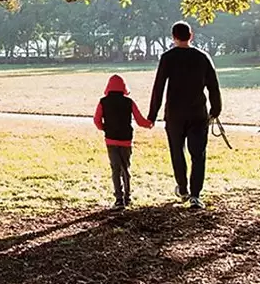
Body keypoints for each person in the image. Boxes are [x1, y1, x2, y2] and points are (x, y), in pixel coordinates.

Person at [147, 21, 222, 210]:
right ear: (191, 35)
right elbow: (213, 85)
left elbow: (159, 87)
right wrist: (216, 109)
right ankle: (196, 195)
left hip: (174, 113)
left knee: (177, 151)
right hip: (198, 112)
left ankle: (182, 188)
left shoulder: (167, 57)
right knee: (198, 154)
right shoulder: (202, 57)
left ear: (173, 37)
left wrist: (152, 115)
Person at [94, 74, 152, 209]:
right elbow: (139, 120)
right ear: (124, 87)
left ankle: (118, 199)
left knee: (115, 169)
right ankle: (128, 197)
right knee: (125, 168)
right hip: (126, 140)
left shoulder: (103, 102)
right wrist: (149, 123)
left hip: (111, 140)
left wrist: (105, 129)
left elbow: (97, 120)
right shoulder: (129, 102)